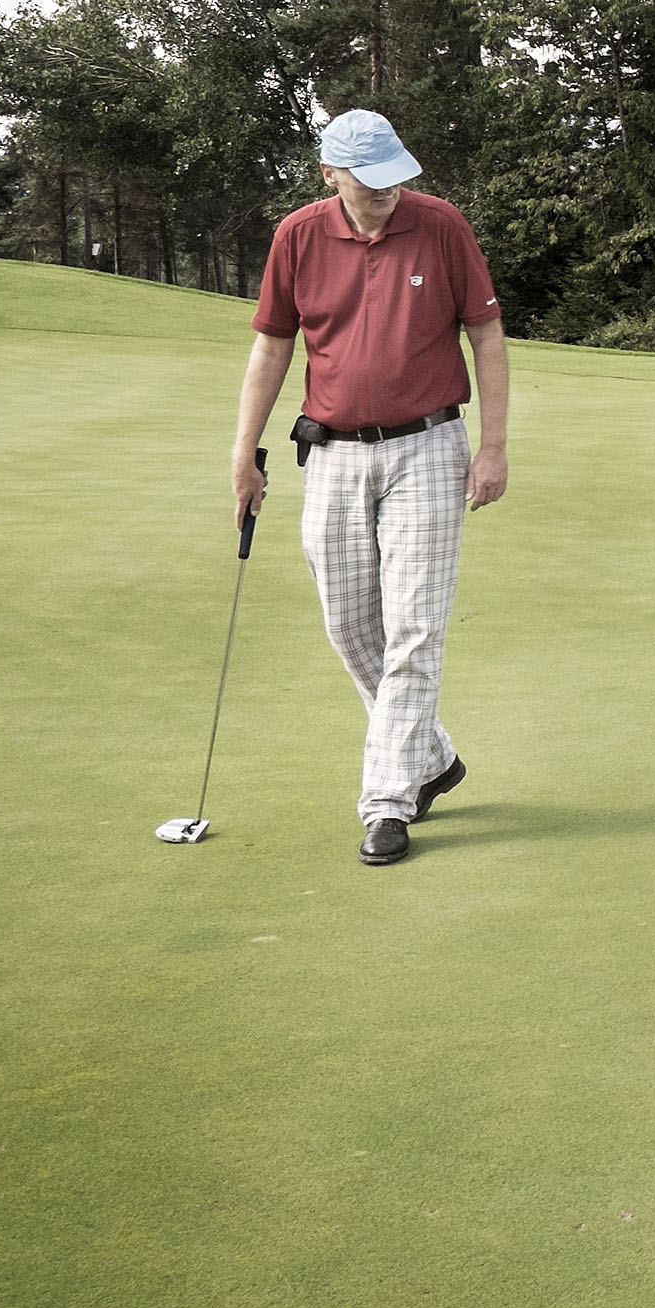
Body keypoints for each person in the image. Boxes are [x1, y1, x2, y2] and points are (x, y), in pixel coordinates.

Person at [232, 110, 510, 867]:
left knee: (415, 630)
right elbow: (273, 345)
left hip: (429, 447)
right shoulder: (298, 235)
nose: (388, 190)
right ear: (331, 174)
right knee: (350, 627)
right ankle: (432, 757)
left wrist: (492, 446)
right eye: (370, 178)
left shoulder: (441, 226)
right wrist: (243, 452)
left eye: (395, 175)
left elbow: (485, 333)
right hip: (332, 453)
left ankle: (388, 801)